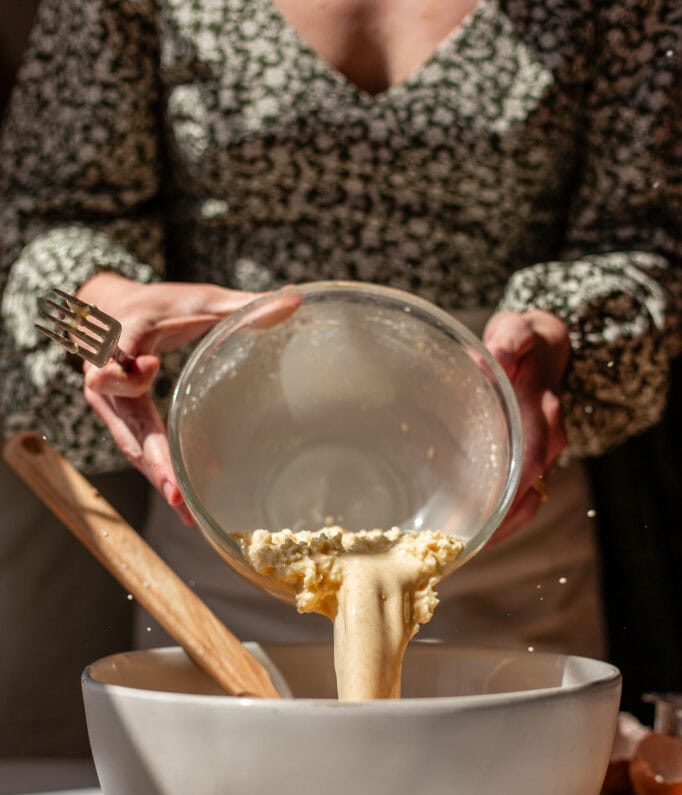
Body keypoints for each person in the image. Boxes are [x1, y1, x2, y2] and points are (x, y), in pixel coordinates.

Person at [1, 0, 680, 741]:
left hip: (506, 536)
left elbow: (649, 236)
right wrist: (107, 318)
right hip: (230, 545)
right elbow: (37, 227)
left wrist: (563, 337)